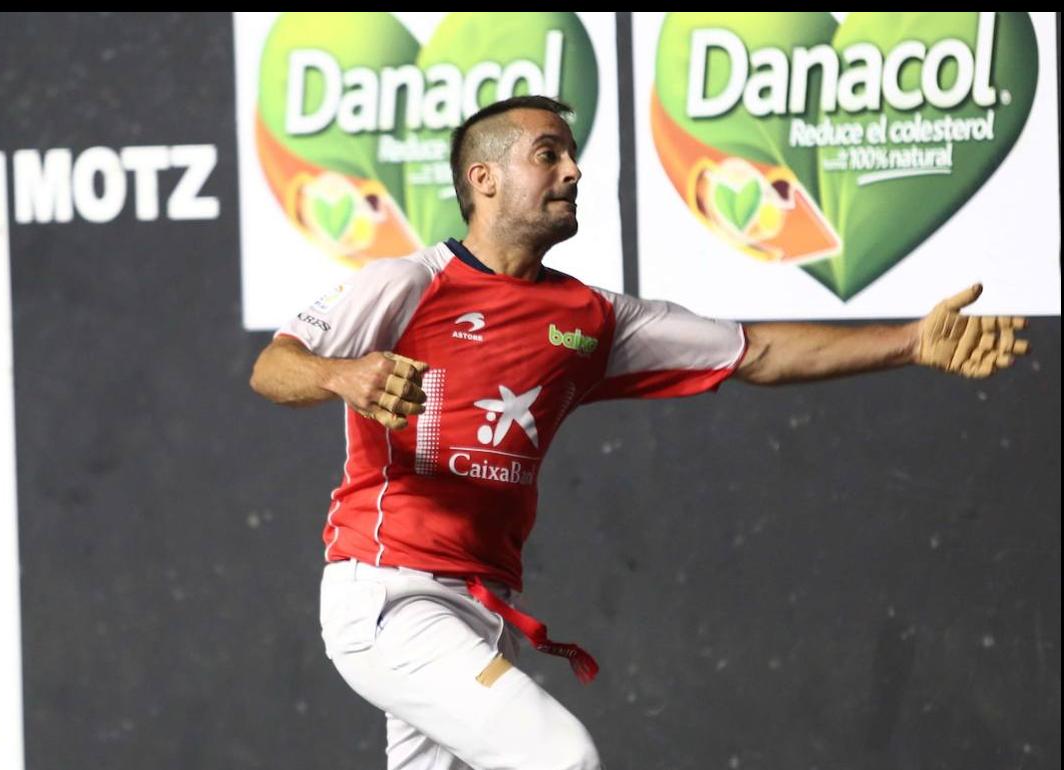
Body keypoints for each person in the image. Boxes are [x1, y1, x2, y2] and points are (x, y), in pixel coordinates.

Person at [248, 95, 1029, 770]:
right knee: (560, 756)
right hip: (388, 595)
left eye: (571, 155)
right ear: (483, 180)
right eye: (548, 154)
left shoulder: (592, 319)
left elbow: (755, 351)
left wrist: (910, 342)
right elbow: (274, 367)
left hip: (483, 606)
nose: (573, 171)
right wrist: (340, 376)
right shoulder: (407, 284)